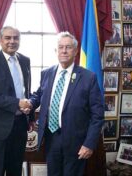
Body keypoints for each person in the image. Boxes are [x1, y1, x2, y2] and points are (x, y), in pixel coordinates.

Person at [29, 32, 104, 176]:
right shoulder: (46, 73)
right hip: (51, 137)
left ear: (75, 51)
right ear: (56, 51)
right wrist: (30, 103)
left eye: (68, 47)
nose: (64, 50)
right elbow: (39, 94)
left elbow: (97, 116)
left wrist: (89, 144)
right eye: (60, 47)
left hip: (76, 141)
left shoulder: (88, 77)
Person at [0, 26, 33, 176]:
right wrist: (17, 103)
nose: (12, 41)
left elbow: (25, 91)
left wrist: (30, 115)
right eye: (8, 38)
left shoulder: (25, 60)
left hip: (20, 124)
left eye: (16, 38)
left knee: (15, 169)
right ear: (0, 41)